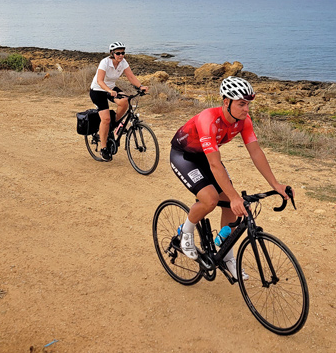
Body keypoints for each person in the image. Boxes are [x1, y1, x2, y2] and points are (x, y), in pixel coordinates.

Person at [170, 76, 289, 280]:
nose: (246, 109)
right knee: (210, 199)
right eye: (241, 104)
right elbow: (215, 164)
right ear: (226, 102)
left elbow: (256, 152)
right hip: (185, 156)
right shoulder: (208, 119)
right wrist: (234, 197)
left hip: (207, 156)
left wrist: (276, 184)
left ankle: (227, 257)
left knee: (230, 205)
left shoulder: (243, 121)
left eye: (248, 104)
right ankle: (185, 232)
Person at [89, 41, 148, 161]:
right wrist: (109, 91)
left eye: (123, 53)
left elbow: (130, 76)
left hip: (111, 88)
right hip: (98, 90)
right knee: (105, 119)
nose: (121, 55)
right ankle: (103, 148)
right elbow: (100, 80)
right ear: (112, 53)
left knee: (124, 101)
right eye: (118, 53)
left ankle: (113, 124)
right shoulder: (105, 62)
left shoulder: (123, 62)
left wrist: (140, 86)